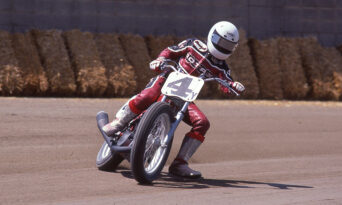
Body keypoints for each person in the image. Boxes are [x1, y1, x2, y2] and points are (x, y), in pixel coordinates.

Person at [102, 21, 245, 178]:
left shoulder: (222, 67)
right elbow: (171, 51)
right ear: (213, 36)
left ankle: (180, 163)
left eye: (229, 45)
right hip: (166, 80)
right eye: (221, 42)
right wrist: (160, 60)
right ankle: (119, 122)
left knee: (202, 123)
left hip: (185, 97)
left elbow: (227, 84)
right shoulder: (193, 44)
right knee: (148, 96)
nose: (224, 47)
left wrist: (234, 86)